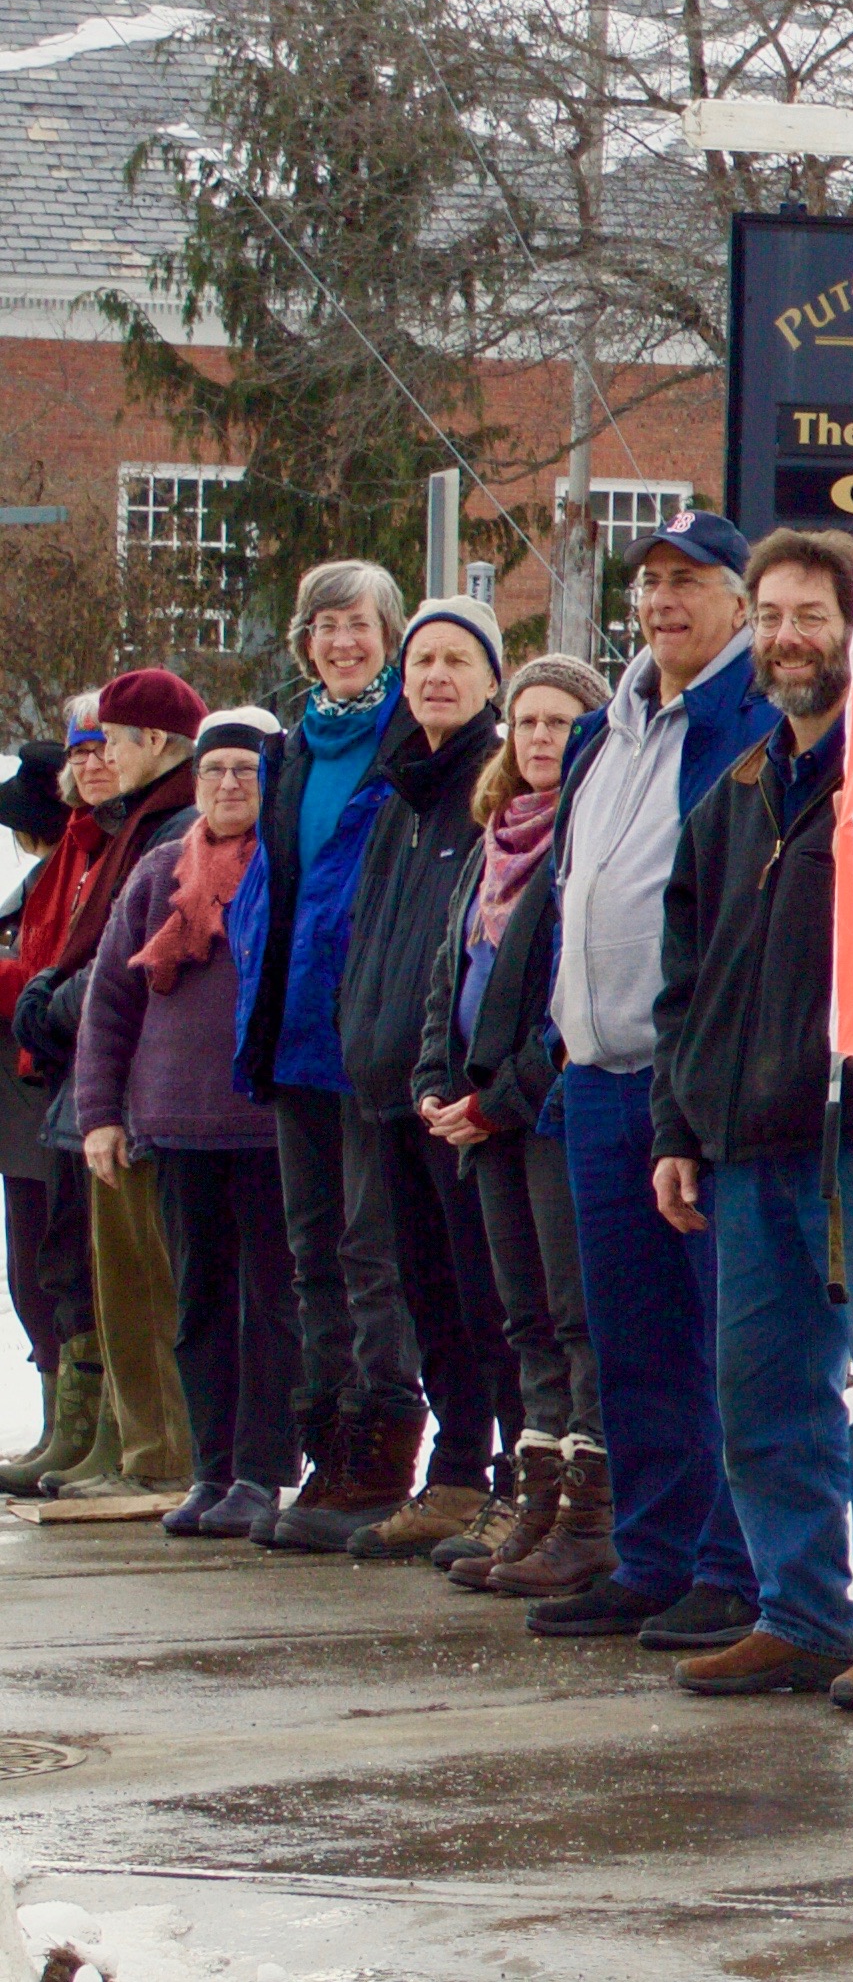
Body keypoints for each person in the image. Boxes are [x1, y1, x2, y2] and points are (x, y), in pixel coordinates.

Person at [653, 526, 853, 1711]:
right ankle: (800, 1610)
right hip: (745, 1141)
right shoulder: (731, 799)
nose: (788, 637)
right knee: (762, 1393)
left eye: (812, 616)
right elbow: (683, 983)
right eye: (772, 615)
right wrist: (675, 1130)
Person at [536, 506, 772, 1649]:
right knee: (628, 1337)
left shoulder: (750, 717)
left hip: (700, 1077)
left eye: (692, 580)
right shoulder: (608, 726)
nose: (666, 600)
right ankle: (655, 1553)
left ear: (738, 598)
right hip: (595, 1076)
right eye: (653, 582)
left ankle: (736, 1564)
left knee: (722, 1331)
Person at [312, 595, 519, 1562]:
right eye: (424, 659)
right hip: (385, 1085)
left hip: (459, 1096)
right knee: (428, 1292)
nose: (437, 675)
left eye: (457, 660)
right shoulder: (401, 793)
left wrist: (453, 1072)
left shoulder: (492, 785)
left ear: (491, 680)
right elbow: (374, 944)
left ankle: (517, 1479)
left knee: (487, 1297)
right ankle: (456, 1473)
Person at [415, 653, 617, 1599]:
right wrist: (434, 1082)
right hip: (481, 1115)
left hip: (546, 1110)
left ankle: (590, 1514)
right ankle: (535, 1502)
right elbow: (445, 980)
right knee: (523, 1316)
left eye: (561, 721)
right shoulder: (493, 835)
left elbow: (572, 1000)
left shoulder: (592, 837)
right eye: (527, 721)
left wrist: (502, 1098)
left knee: (576, 1315)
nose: (540, 737)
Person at [72, 707, 296, 1537]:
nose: (229, 785)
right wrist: (101, 1113)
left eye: (244, 770)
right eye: (214, 771)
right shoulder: (161, 869)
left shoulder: (287, 865)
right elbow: (110, 1003)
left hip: (272, 1127)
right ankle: (211, 1469)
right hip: (177, 1126)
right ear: (195, 781)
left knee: (272, 1306)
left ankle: (265, 1472)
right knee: (199, 1302)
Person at [234, 560, 407, 1543]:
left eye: (360, 624)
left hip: (367, 1041)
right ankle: (326, 1459)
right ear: (305, 643)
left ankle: (381, 1462)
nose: (344, 642)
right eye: (326, 626)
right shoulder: (292, 748)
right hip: (292, 1035)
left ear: (387, 633)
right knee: (311, 1255)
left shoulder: (403, 744)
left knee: (369, 1248)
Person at [17, 670, 209, 1499]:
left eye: (114, 741)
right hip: (109, 1074)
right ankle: (126, 1445)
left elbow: (123, 958)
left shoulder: (171, 823)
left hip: (146, 1075)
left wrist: (45, 998)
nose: (101, 759)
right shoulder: (129, 825)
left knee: (144, 1272)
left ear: (155, 745)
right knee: (103, 1272)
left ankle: (157, 1455)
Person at [0, 725, 94, 1478]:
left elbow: (49, 972)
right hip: (27, 1092)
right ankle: (58, 1422)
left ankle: (76, 1425)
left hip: (48, 1091)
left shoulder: (76, 865)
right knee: (32, 1263)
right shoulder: (50, 870)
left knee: (49, 1261)